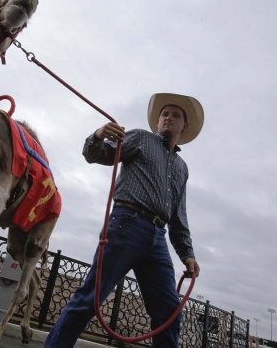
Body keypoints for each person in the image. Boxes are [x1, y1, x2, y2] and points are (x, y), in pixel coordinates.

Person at [44, 93, 204, 347]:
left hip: (157, 238)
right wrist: (98, 135)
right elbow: (99, 154)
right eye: (165, 114)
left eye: (175, 115)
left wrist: (188, 254)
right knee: (90, 299)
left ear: (184, 126)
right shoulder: (141, 138)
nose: (168, 118)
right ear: (158, 121)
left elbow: (179, 216)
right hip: (127, 224)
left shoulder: (182, 168)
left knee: (169, 314)